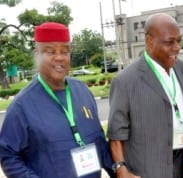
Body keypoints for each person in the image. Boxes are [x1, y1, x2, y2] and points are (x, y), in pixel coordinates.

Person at [0, 22, 115, 178]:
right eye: (50, 51)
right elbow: (8, 156)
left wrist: (117, 170)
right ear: (37, 54)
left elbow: (99, 141)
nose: (59, 57)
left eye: (65, 51)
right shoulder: (21, 106)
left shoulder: (82, 91)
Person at [107, 13, 183, 178]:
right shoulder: (125, 81)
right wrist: (121, 169)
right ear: (149, 41)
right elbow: (116, 134)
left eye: (179, 41)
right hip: (150, 170)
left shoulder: (180, 68)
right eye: (169, 42)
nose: (176, 48)